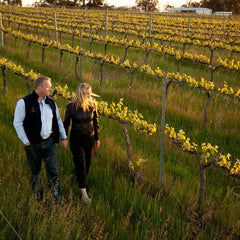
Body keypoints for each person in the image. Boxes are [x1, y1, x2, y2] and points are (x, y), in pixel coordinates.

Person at [13, 76, 68, 203]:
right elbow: (17, 123)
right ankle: (39, 200)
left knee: (53, 172)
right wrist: (26, 142)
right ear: (39, 88)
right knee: (36, 174)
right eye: (48, 86)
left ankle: (57, 201)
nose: (50, 89)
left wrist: (64, 137)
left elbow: (58, 121)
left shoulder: (51, 103)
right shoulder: (24, 102)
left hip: (49, 143)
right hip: (33, 145)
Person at [63, 83, 100, 203]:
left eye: (90, 93)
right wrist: (64, 138)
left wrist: (97, 138)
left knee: (87, 164)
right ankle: (84, 194)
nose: (90, 96)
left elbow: (96, 122)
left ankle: (80, 180)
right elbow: (66, 124)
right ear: (80, 94)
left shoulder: (93, 105)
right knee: (82, 164)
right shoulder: (71, 107)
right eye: (87, 94)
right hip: (76, 140)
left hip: (90, 139)